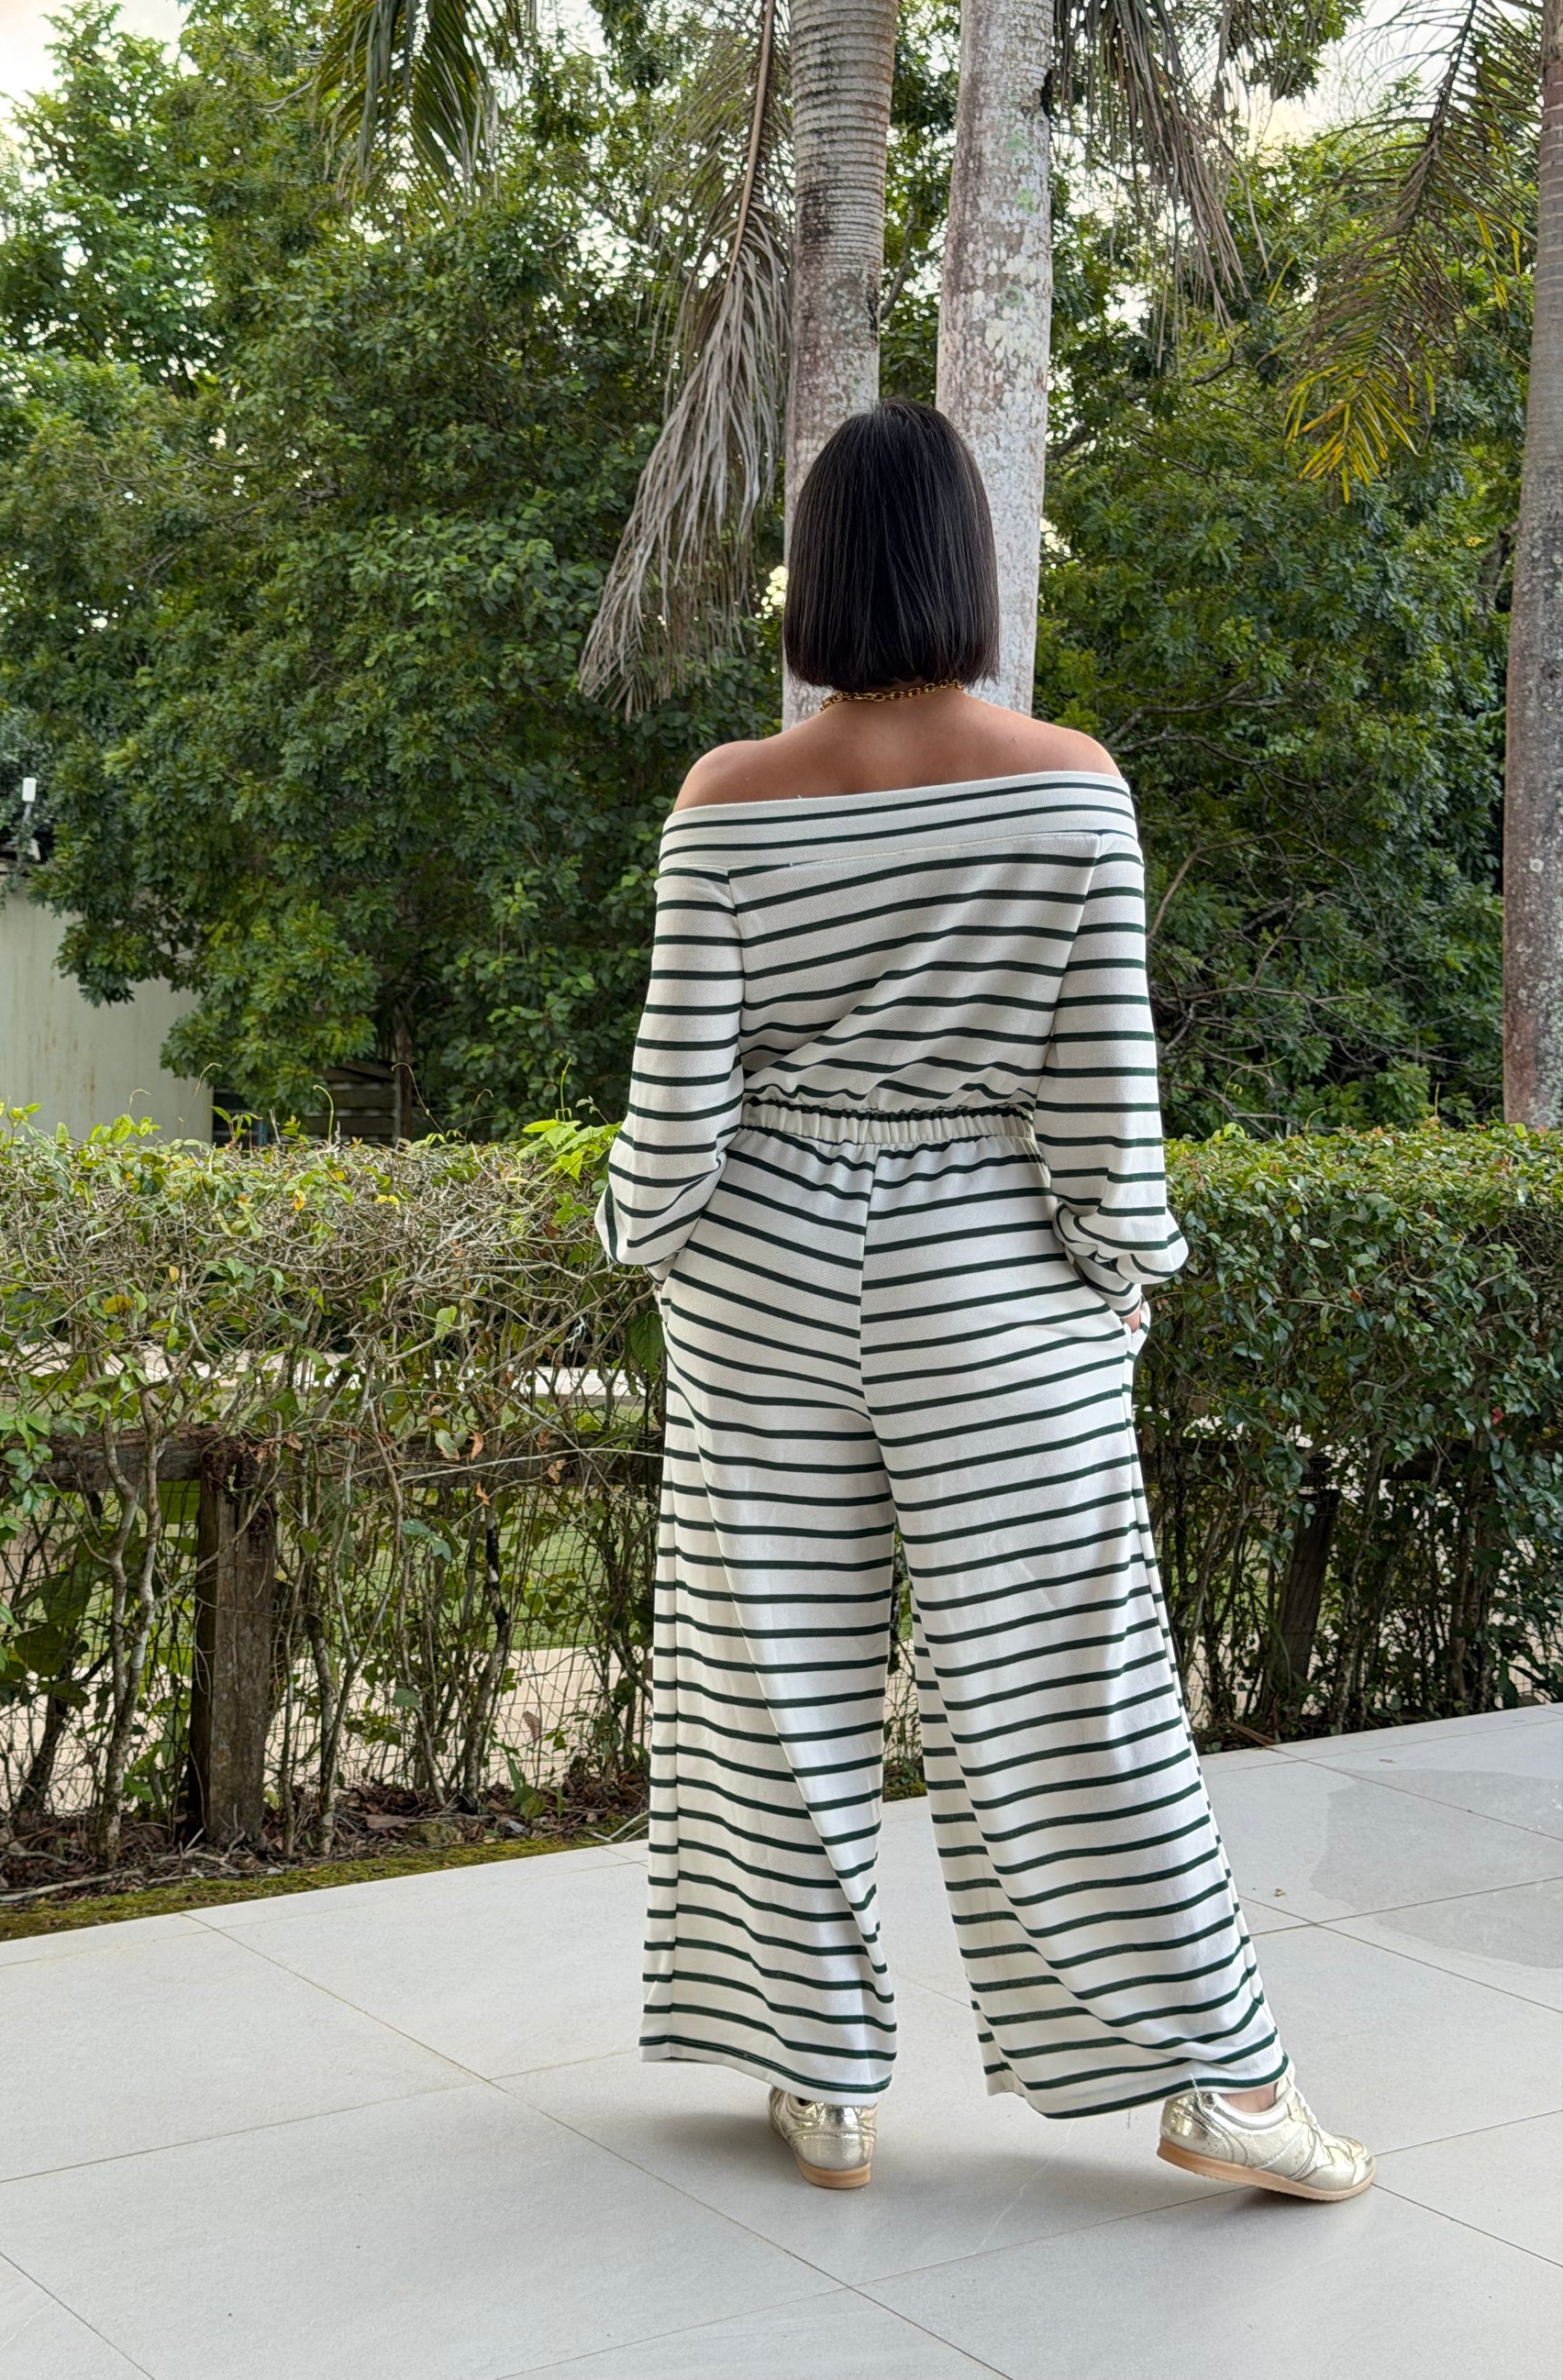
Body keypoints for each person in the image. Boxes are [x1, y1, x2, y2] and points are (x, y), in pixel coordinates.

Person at [595, 398, 1372, 2205]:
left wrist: (640, 1235)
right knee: (1074, 1681)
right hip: (990, 1275)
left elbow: (677, 1105)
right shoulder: (1069, 780)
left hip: (764, 1273)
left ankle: (821, 2075)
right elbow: (1103, 1091)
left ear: (814, 576)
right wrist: (1118, 1272)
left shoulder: (725, 796)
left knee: (770, 1679)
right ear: (967, 567)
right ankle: (1221, 2082)